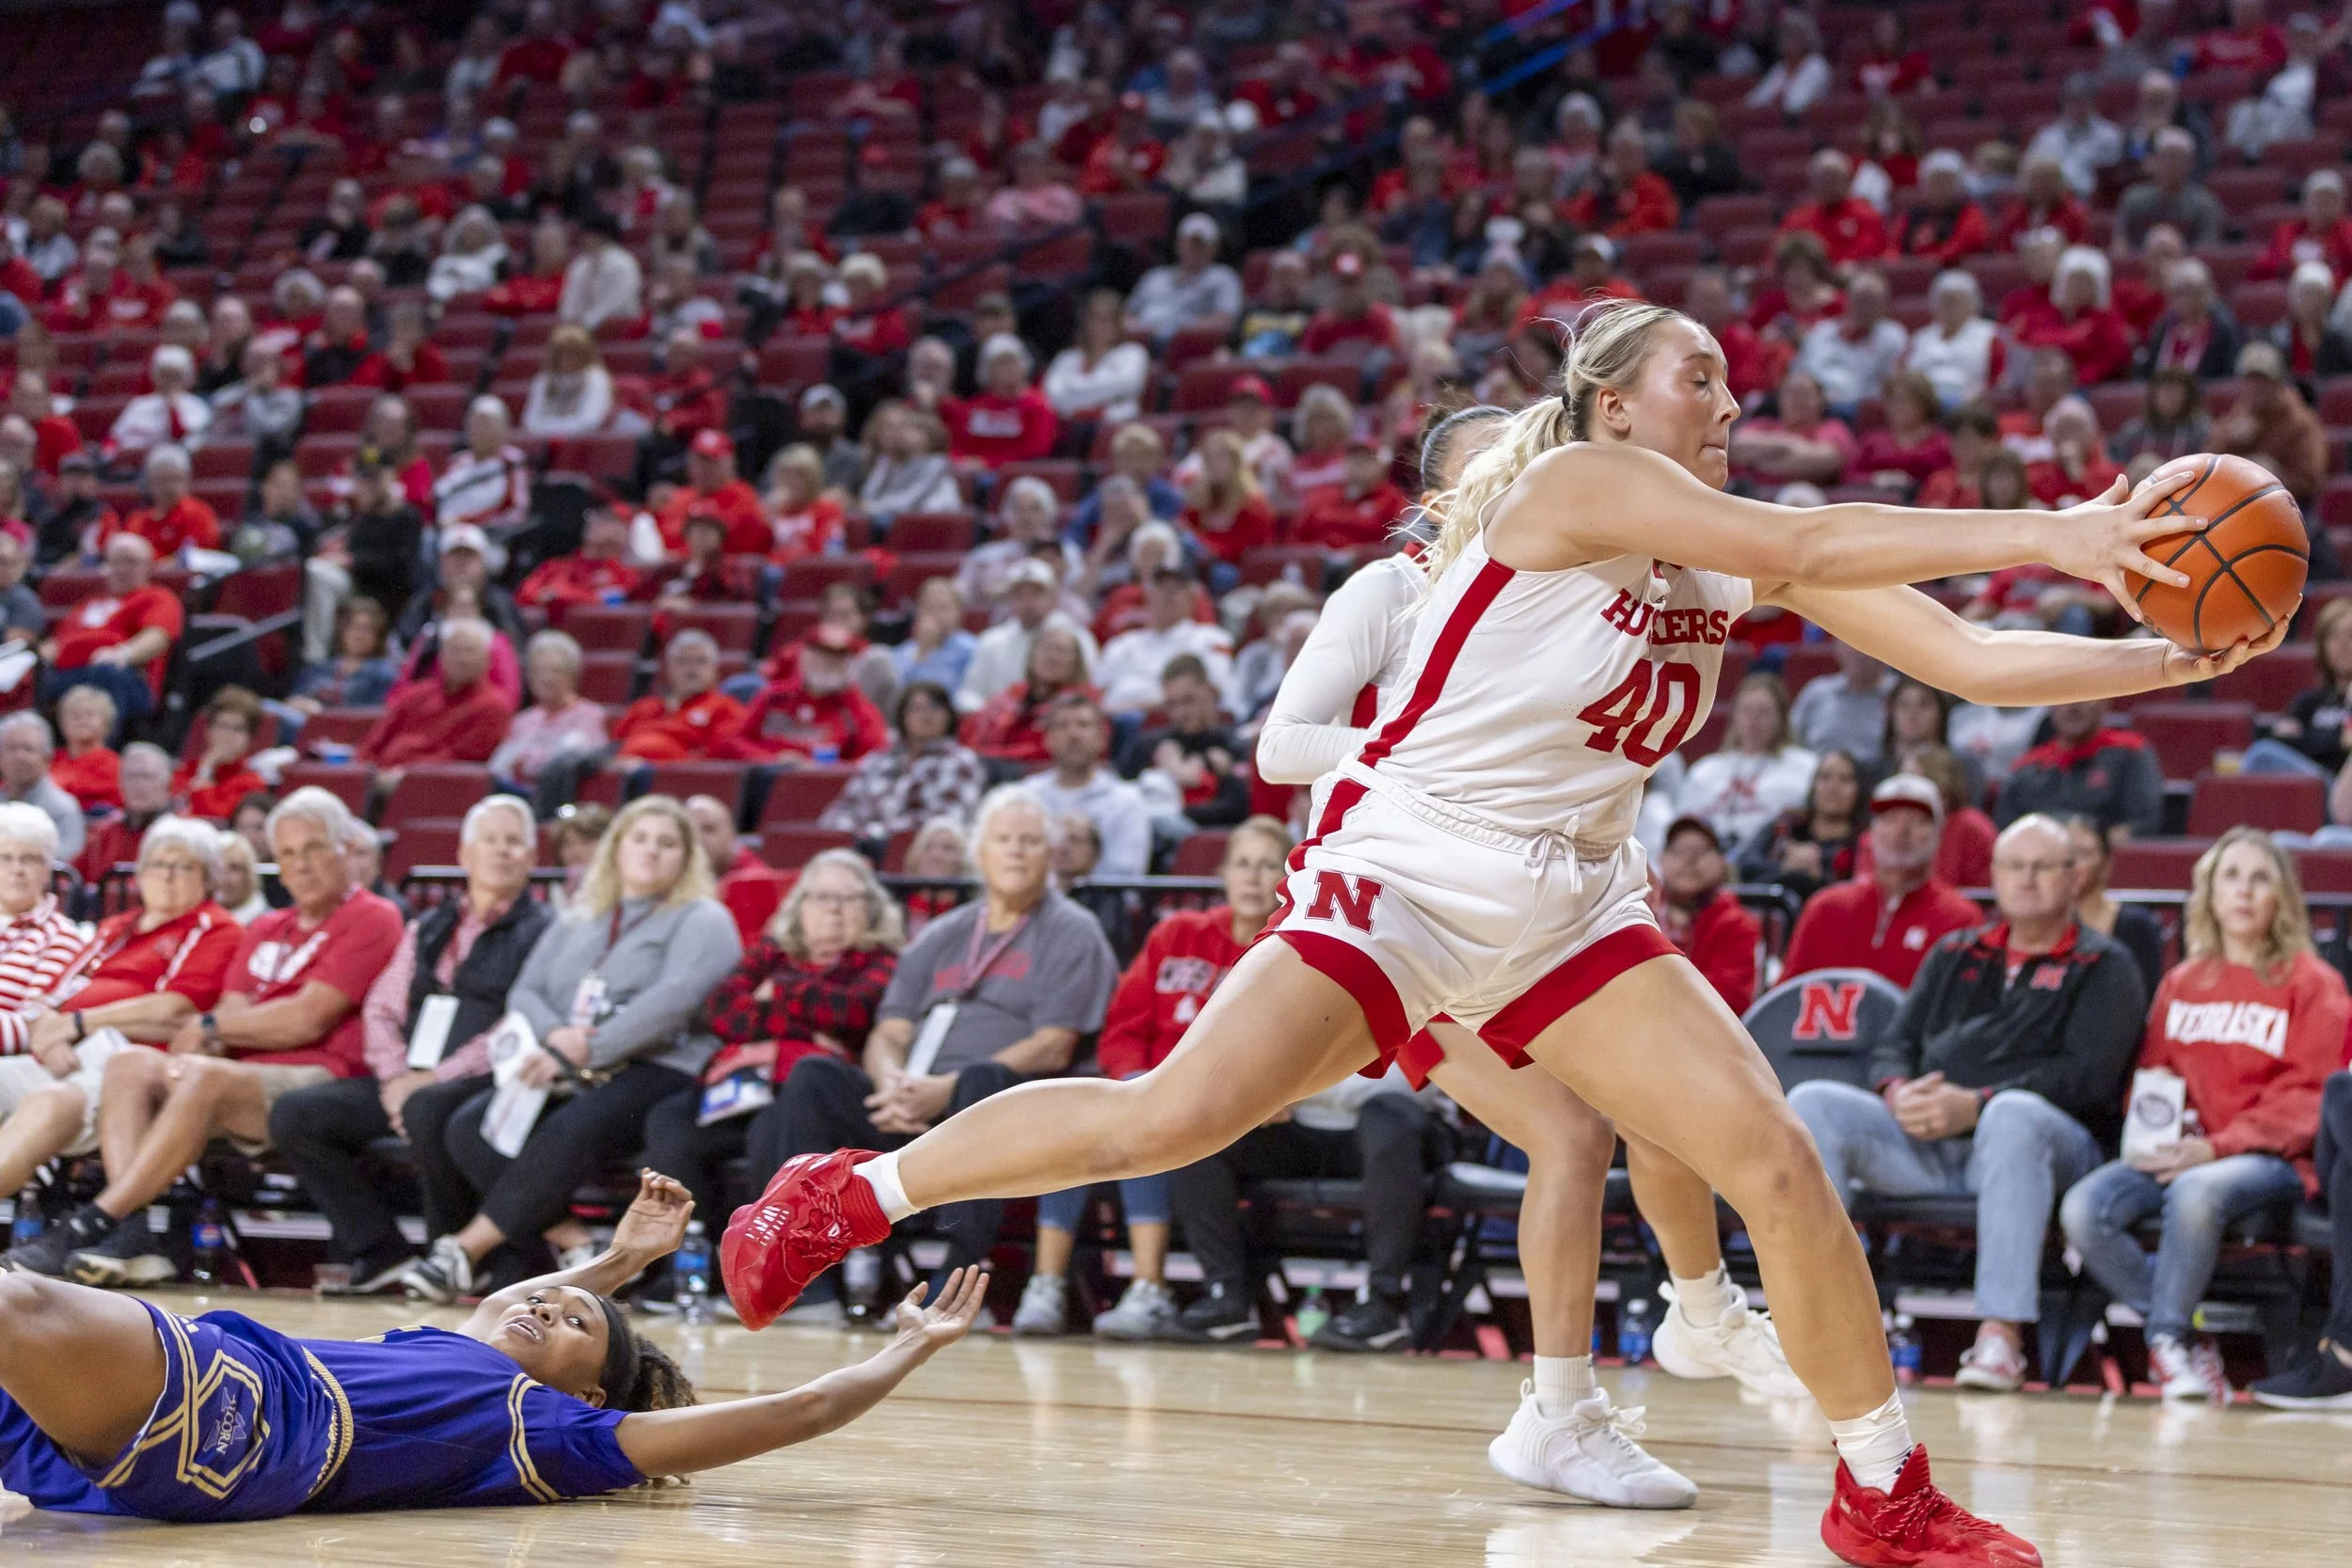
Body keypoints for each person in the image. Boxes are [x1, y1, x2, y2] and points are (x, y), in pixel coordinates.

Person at [725, 298, 2285, 1562]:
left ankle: (1882, 1489)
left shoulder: (1721, 555)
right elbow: (1813, 546)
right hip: (1414, 867)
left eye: (1733, 379)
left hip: (1573, 895)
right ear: (1614, 403)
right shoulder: (1567, 488)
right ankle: (851, 1189)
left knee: (1776, 1161)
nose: (1728, 395)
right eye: (1702, 374)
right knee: (1176, 1113)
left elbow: (1973, 663)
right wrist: (2068, 525)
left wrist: (2172, 659)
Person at [1253, 401, 1804, 1503]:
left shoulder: (1580, 582)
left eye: (1535, 462)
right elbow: (1281, 745)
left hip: (1524, 900)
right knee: (1569, 1127)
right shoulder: (1390, 590)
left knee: (1657, 1104)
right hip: (1395, 899)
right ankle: (1571, 1402)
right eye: (1494, 471)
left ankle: (1694, 1315)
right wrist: (1428, 759)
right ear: (1438, 502)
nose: (1526, 482)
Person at [0, 1164, 993, 1519]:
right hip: (182, 1432)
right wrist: (611, 1264)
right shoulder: (465, 1339)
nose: (548, 1310)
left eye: (572, 1329)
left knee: (17, 1302)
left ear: (591, 1395)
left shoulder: (551, 1431)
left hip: (245, 1423)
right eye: (555, 1301)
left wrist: (899, 1351)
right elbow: (520, 1297)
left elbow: (797, 1409)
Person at [1792, 814, 2148, 1395]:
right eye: (2013, 866)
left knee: (2013, 1116)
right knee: (1813, 1104)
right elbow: (1893, 1044)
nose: (2026, 880)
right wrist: (1898, 1092)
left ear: (2074, 878)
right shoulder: (1956, 950)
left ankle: (1999, 1338)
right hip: (1934, 1141)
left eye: (2042, 867)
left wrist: (1978, 1104)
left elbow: (2089, 1079)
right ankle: (1821, 1325)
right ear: (1996, 875)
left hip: (2053, 1153)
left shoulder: (2105, 965)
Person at [741, 788, 1117, 1299]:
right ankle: (810, 1279)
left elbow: (1054, 1045)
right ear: (980, 853)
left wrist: (945, 1089)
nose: (1015, 852)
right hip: (913, 1096)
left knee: (983, 1083)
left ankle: (956, 1280)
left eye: (1030, 841)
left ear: (1051, 855)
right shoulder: (943, 932)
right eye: (1003, 840)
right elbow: (890, 1030)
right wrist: (893, 1084)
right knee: (814, 1075)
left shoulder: (1074, 930)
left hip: (1003, 1109)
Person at [19, 789, 403, 1285]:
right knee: (130, 1065)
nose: (300, 865)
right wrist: (218, 1028)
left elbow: (305, 1019)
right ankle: (131, 1237)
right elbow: (229, 1013)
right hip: (235, 1070)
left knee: (202, 1074)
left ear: (345, 850)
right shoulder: (267, 925)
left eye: (314, 849)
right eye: (287, 854)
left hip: (321, 1075)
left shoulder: (372, 916)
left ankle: (93, 1220)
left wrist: (215, 1029)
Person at [399, 796, 742, 1303]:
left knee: (570, 1127)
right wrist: (561, 1038)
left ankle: (462, 1251)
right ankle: (581, 1248)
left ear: (687, 858)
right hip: (570, 1064)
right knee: (470, 1125)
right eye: (639, 840)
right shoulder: (581, 915)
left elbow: (672, 1003)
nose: (650, 852)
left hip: (660, 1066)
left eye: (667, 844)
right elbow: (525, 992)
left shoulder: (704, 918)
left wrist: (588, 1047)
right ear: (616, 850)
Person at [2063, 828, 2345, 1400]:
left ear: (2282, 897)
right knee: (2084, 1208)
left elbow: (2312, 1098)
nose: (2243, 892)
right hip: (2188, 1150)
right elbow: (2154, 1080)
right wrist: (2161, 1136)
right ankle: (2190, 1339)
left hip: (2273, 1159)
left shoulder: (2313, 983)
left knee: (2195, 1191)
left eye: (2259, 878)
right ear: (2209, 895)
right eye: (2230, 877)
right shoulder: (2181, 983)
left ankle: (2166, 1340)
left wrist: (2216, 1147)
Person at [1012, 819, 1291, 1341]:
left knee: (1154, 1115)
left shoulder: (1288, 953)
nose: (1253, 878)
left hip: (1220, 1105)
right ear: (1224, 873)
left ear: (1288, 876)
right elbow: (1122, 1028)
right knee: (1080, 1118)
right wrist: (1131, 1080)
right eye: (1242, 864)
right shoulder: (1177, 933)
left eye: (1267, 865)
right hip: (1147, 1085)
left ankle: (1149, 1288)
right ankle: (1046, 1284)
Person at [265, 797, 550, 1294]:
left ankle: (455, 1253)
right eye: (490, 840)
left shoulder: (545, 931)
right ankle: (378, 1249)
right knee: (296, 1113)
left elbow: (519, 1021)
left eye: (514, 842)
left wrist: (431, 1080)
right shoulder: (430, 924)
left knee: (430, 1108)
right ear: (465, 854)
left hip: (485, 1077)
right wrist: (396, 1077)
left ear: (531, 857)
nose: (501, 852)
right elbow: (382, 1008)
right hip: (407, 1077)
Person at [639, 849, 902, 1272]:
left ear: (871, 911)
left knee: (773, 1127)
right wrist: (805, 1020)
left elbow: (851, 1012)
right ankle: (690, 1264)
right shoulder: (772, 953)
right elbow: (722, 1011)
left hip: (809, 1097)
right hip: (735, 1087)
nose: (833, 910)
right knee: (668, 1122)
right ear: (800, 907)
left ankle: (768, 1269)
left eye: (849, 900)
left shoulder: (880, 961)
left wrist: (775, 996)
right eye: (821, 898)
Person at [0, 816, 242, 1214]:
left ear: (208, 878)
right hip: (63, 1057)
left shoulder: (213, 928)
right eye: (157, 865)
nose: (166, 876)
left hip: (127, 1069)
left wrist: (77, 1024)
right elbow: (52, 998)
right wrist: (52, 1033)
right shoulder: (116, 929)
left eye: (183, 866)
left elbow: (174, 1007)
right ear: (140, 874)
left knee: (49, 1102)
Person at [1784, 775, 1987, 988]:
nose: (1901, 832)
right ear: (1870, 831)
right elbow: (1783, 1001)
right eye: (1889, 819)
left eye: (1918, 821)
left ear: (1939, 833)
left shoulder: (1960, 920)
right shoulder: (1825, 909)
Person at [818, 682, 986, 848]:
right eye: (917, 708)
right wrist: (846, 835)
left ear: (949, 715)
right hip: (862, 848)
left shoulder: (961, 761)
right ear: (902, 716)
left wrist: (878, 833)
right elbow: (845, 807)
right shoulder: (877, 760)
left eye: (935, 707)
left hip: (923, 857)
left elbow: (946, 820)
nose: (926, 715)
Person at [39, 531, 181, 724]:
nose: (122, 569)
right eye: (117, 561)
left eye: (131, 562)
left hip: (123, 677)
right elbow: (56, 643)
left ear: (148, 566)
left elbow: (157, 636)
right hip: (71, 674)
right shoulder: (90, 601)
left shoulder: (157, 598)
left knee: (107, 671)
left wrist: (123, 654)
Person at [355, 617, 515, 784]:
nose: (463, 658)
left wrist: (403, 776)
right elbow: (373, 743)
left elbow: (462, 760)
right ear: (441, 655)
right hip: (378, 781)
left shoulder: (494, 706)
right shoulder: (414, 695)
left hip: (431, 788)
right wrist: (365, 772)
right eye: (455, 650)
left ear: (487, 659)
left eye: (470, 651)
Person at [1672, 672, 1817, 850]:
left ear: (1781, 717)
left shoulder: (1805, 766)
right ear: (1734, 715)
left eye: (1764, 712)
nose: (1753, 721)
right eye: (1746, 710)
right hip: (1708, 858)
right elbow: (1681, 828)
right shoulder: (1705, 770)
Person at [1997, 698, 2164, 841]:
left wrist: (2093, 845)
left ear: (2105, 702)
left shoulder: (2130, 753)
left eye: (2085, 696)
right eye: (2064, 697)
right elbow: (2006, 830)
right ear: (2049, 706)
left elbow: (2144, 822)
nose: (2073, 706)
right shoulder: (2027, 767)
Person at [1025, 693, 1151, 879]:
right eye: (1062, 726)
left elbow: (1125, 878)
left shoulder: (1127, 801)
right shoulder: (1026, 797)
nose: (1073, 734)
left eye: (1083, 725)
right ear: (1047, 739)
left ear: (1102, 738)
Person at [1655, 816, 1761, 1014]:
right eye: (1679, 850)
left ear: (1722, 863)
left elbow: (1731, 999)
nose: (1689, 860)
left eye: (1700, 851)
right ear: (1661, 858)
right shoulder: (1637, 913)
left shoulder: (1738, 925)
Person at [1736, 749, 1865, 900]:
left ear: (1859, 790)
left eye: (1845, 779)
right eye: (1825, 777)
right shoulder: (1784, 825)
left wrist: (1817, 876)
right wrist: (1785, 868)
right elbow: (1745, 864)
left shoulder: (1863, 842)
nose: (1833, 787)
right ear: (1813, 786)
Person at [2059, 813, 2166, 995]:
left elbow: (2146, 996)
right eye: (2064, 853)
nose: (2071, 863)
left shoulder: (2136, 926)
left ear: (2106, 863)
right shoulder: (2038, 921)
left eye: (2082, 853)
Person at [0, 715, 83, 863]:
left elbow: (66, 865)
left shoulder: (64, 809)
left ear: (47, 758)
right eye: (12, 748)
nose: (20, 756)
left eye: (28, 749)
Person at [48, 686, 120, 814]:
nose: (82, 720)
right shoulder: (49, 759)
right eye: (75, 715)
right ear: (62, 724)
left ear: (106, 724)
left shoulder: (116, 765)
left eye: (89, 714)